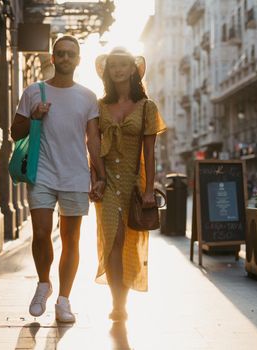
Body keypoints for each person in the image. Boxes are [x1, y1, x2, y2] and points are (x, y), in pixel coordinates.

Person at [10, 35, 106, 323]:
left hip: (75, 175)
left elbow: (93, 140)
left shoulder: (88, 97)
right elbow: (15, 132)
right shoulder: (33, 92)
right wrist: (34, 117)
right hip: (42, 173)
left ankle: (64, 300)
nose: (65, 58)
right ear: (52, 58)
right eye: (60, 54)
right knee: (40, 233)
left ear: (78, 60)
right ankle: (43, 283)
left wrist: (100, 176)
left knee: (71, 239)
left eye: (70, 54)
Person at [91, 47, 166, 321]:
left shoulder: (147, 107)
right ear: (107, 71)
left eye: (124, 65)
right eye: (113, 66)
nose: (119, 70)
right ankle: (117, 303)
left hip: (135, 183)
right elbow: (92, 145)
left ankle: (123, 296)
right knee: (112, 241)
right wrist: (96, 179)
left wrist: (149, 190)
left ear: (133, 69)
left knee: (129, 245)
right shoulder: (99, 106)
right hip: (107, 181)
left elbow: (149, 152)